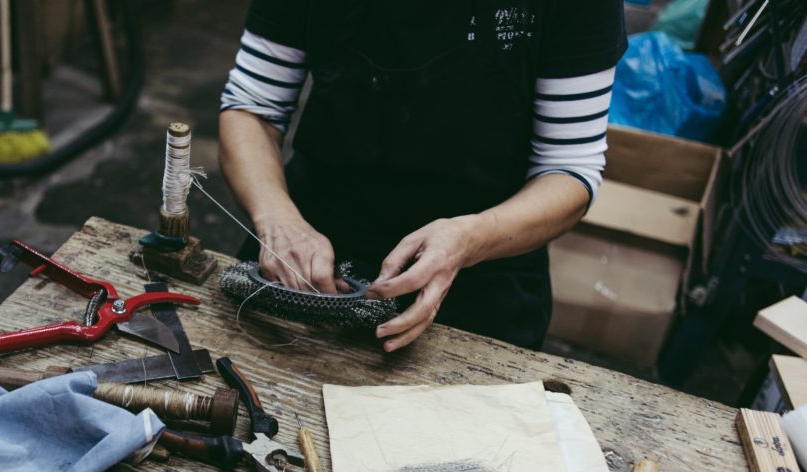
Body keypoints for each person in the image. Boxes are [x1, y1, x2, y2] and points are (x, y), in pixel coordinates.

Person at [217, 1, 627, 352]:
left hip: (480, 281)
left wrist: (469, 240)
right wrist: (278, 220)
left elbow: (569, 169)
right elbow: (252, 107)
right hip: (303, 265)